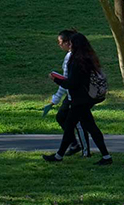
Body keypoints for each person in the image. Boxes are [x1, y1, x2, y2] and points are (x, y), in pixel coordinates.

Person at [43, 33, 112, 165]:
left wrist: (56, 80)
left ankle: (59, 156)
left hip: (78, 100)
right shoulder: (88, 58)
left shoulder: (75, 61)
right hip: (86, 99)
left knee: (71, 127)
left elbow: (71, 84)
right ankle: (106, 156)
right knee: (90, 127)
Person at [42, 29, 90, 157]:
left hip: (76, 96)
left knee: (79, 123)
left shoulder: (72, 57)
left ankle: (84, 151)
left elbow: (67, 81)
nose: (59, 45)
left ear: (68, 42)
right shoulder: (71, 56)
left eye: (60, 42)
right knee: (62, 117)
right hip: (71, 95)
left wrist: (56, 85)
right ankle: (74, 146)